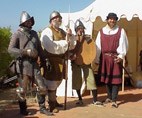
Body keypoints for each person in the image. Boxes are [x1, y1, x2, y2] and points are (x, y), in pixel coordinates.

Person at [8, 11, 52, 116]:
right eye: (27, 21)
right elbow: (10, 49)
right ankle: (23, 110)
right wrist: (24, 51)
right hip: (23, 65)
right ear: (23, 22)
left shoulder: (34, 33)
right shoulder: (17, 33)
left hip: (34, 65)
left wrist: (45, 59)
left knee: (42, 87)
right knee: (22, 90)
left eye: (30, 21)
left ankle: (42, 107)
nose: (29, 23)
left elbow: (40, 49)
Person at [40, 11, 76, 113]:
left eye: (59, 18)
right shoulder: (47, 31)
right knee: (51, 83)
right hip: (50, 61)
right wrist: (65, 42)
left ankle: (54, 101)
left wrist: (70, 36)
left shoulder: (62, 31)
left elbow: (71, 46)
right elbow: (50, 46)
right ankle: (51, 105)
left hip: (61, 61)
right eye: (55, 18)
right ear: (51, 21)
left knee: (58, 82)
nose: (58, 20)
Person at [95, 13, 128, 108]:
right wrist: (97, 59)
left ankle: (114, 100)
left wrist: (121, 55)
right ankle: (109, 97)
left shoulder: (120, 31)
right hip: (104, 58)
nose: (112, 21)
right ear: (107, 20)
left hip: (115, 58)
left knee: (115, 80)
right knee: (107, 79)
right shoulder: (101, 31)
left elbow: (124, 44)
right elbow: (98, 47)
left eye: (114, 19)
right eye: (110, 19)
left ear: (116, 20)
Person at [69, 19, 103, 106]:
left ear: (83, 29)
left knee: (91, 80)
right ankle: (80, 99)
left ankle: (95, 100)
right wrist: (71, 56)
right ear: (76, 30)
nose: (80, 30)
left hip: (86, 62)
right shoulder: (73, 38)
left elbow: (92, 49)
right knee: (77, 81)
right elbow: (69, 50)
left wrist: (93, 59)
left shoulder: (88, 38)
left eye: (81, 28)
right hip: (76, 62)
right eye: (78, 28)